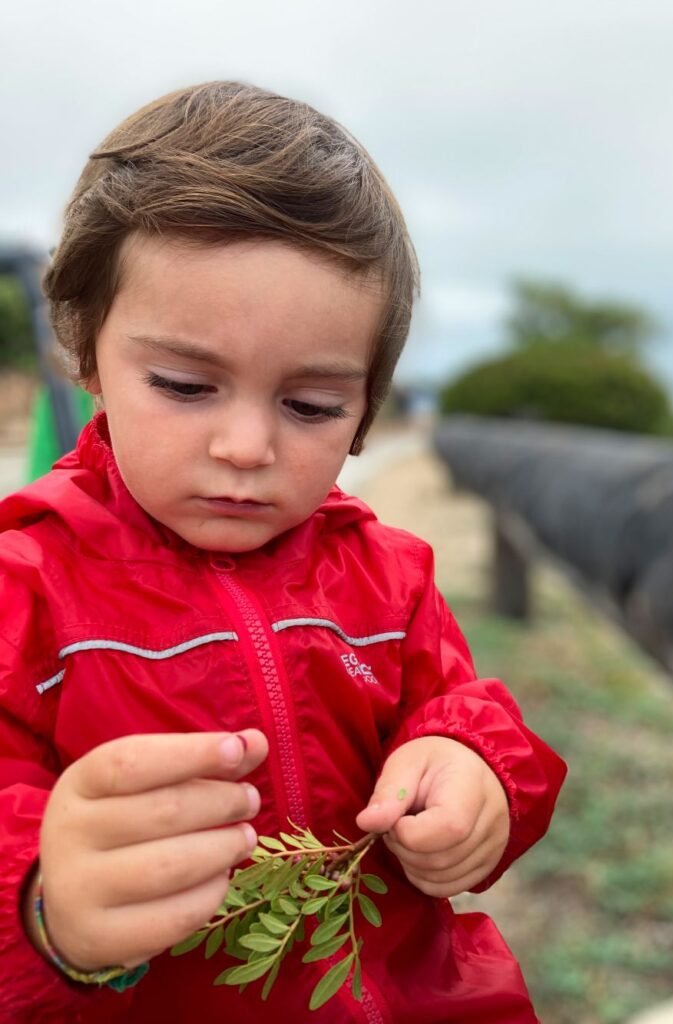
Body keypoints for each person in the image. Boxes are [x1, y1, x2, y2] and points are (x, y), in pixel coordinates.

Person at [0, 81, 566, 1024]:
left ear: (366, 415)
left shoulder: (389, 575)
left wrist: (480, 777)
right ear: (86, 352)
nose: (247, 448)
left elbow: (464, 711)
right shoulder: (27, 588)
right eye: (185, 385)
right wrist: (45, 906)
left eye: (310, 407)